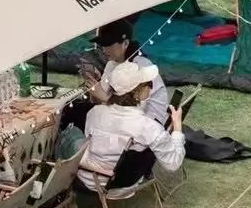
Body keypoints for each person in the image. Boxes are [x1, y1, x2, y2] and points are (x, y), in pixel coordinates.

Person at [77, 61, 185, 193]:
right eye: (149, 84)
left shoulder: (94, 113)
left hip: (88, 177)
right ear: (137, 93)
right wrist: (178, 128)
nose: (151, 88)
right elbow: (173, 162)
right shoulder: (149, 127)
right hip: (125, 181)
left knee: (72, 137)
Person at [84, 19, 169, 125]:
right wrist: (94, 89)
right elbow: (100, 101)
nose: (104, 50)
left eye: (109, 44)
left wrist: (104, 98)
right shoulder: (111, 64)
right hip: (122, 120)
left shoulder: (141, 67)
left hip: (149, 125)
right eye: (103, 44)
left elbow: (134, 111)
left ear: (125, 43)